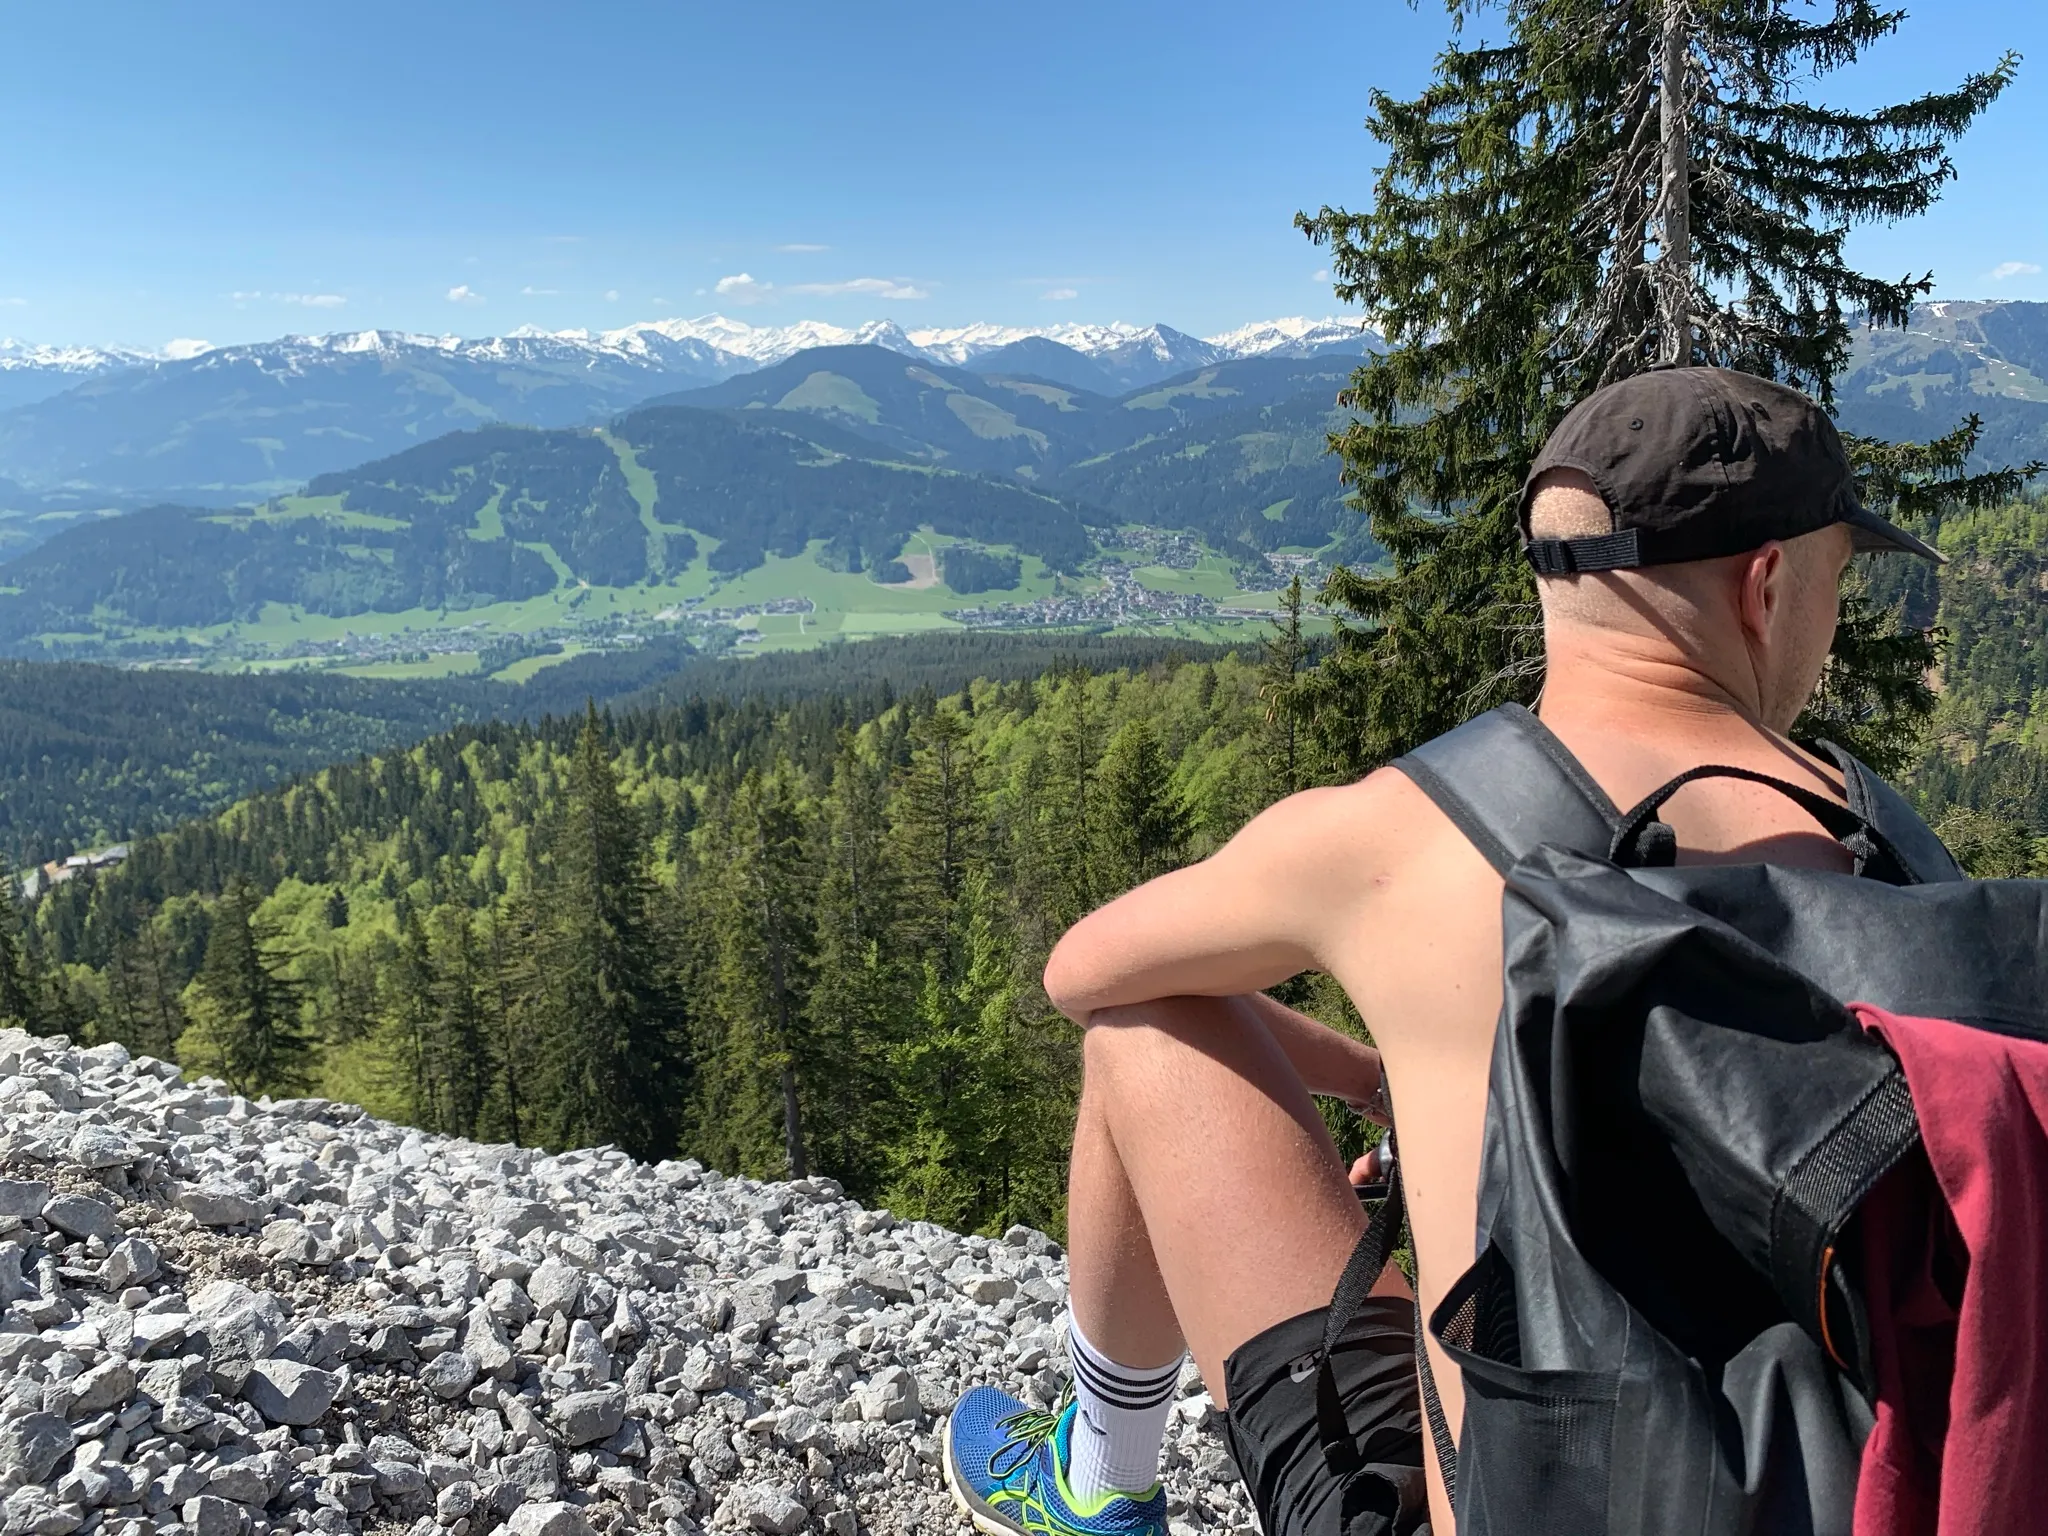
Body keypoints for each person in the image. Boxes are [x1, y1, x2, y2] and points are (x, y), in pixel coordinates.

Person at [940, 367, 1944, 1536]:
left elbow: (1083, 972)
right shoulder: (1902, 860)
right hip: (1858, 1492)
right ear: (1766, 584)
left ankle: (1095, 1485)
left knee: (1147, 1025)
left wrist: (1385, 1080)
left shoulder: (1397, 835)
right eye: (1836, 576)